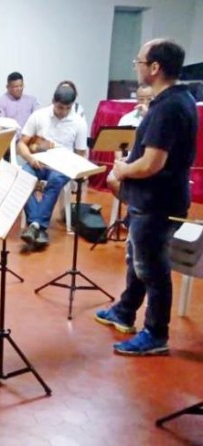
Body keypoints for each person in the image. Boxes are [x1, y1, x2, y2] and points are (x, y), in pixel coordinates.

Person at [95, 39, 197, 356]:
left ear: (154, 67)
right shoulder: (178, 99)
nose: (136, 66)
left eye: (139, 61)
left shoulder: (168, 108)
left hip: (157, 202)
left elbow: (152, 163)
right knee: (137, 259)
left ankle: (156, 333)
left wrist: (123, 170)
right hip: (153, 199)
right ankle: (125, 311)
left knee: (152, 268)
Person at [17, 84, 88, 250]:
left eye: (68, 108)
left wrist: (74, 169)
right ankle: (38, 227)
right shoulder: (39, 115)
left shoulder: (79, 122)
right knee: (22, 178)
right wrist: (30, 158)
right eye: (60, 107)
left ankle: (34, 225)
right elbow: (21, 144)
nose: (63, 112)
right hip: (38, 162)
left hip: (63, 167)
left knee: (55, 180)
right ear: (53, 102)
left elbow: (80, 154)